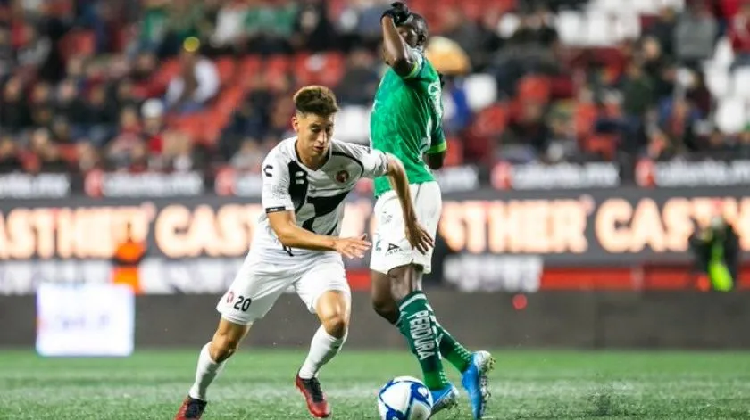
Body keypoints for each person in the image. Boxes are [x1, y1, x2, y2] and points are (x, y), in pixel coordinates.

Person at [174, 86, 433, 420]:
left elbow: (396, 167)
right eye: (315, 130)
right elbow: (284, 230)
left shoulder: (350, 158)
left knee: (337, 321)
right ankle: (197, 397)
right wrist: (336, 243)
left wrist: (410, 220)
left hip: (319, 258)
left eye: (328, 130)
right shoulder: (277, 163)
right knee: (225, 343)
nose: (323, 139)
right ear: (296, 124)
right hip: (272, 254)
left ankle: (307, 376)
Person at [369, 3, 494, 419]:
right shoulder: (421, 84)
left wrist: (388, 18)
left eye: (405, 33)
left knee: (405, 290)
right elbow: (438, 153)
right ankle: (465, 360)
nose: (393, 40)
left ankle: (440, 386)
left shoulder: (415, 65)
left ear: (418, 41)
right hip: (396, 189)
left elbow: (399, 56)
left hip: (410, 191)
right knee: (384, 301)